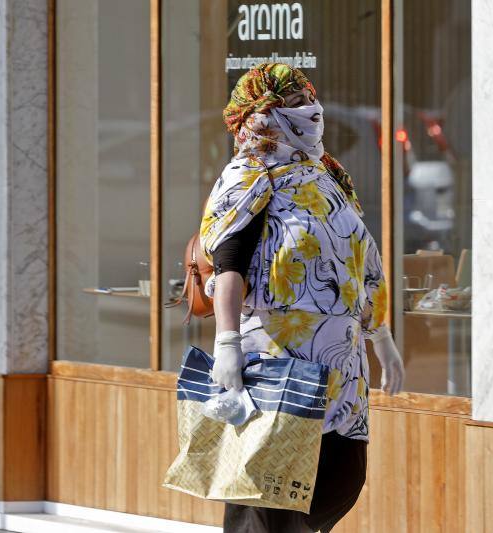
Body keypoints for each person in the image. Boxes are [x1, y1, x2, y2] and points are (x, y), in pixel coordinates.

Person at [199, 63, 405, 533]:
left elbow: (360, 261)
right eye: (290, 104)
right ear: (260, 115)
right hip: (278, 364)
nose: (308, 112)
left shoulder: (326, 176)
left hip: (341, 370)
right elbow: (229, 264)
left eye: (306, 100)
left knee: (340, 481)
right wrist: (226, 342)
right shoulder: (248, 178)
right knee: (268, 502)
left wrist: (382, 335)